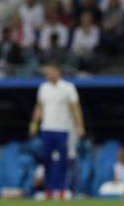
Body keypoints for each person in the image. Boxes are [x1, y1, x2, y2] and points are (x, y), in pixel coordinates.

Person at [29, 64, 85, 198]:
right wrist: (33, 124)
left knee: (62, 161)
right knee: (47, 160)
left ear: (57, 72)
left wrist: (80, 126)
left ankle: (61, 190)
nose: (48, 75)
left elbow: (75, 107)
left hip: (63, 129)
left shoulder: (68, 87)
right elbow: (39, 107)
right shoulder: (43, 88)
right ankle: (49, 189)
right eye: (46, 73)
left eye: (50, 72)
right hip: (47, 129)